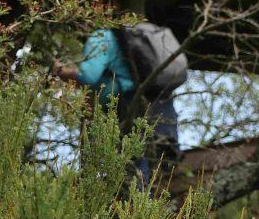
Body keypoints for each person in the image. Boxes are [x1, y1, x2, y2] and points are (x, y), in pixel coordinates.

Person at [51, 29, 180, 185]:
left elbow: (88, 76)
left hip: (128, 102)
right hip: (157, 101)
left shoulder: (101, 37)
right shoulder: (130, 35)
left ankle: (137, 195)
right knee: (157, 158)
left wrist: (60, 71)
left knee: (133, 159)